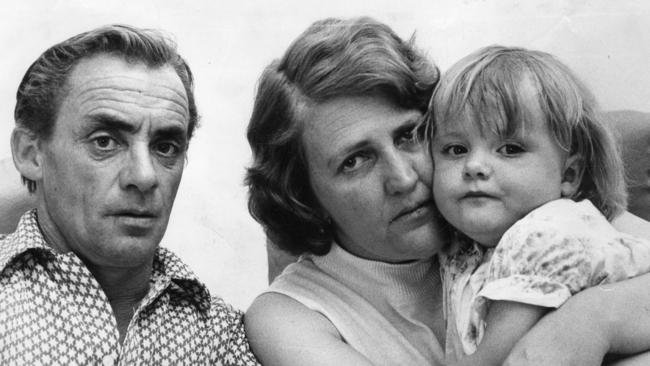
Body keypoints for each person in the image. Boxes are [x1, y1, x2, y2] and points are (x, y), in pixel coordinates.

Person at [244, 16, 650, 366]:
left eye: (409, 135)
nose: (403, 178)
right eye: (355, 161)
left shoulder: (511, 200)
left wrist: (596, 319)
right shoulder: (291, 315)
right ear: (305, 195)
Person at [0, 25, 259, 365]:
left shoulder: (221, 336)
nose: (144, 175)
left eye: (166, 147)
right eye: (104, 141)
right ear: (31, 154)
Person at [430, 45, 650, 366]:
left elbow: (497, 357)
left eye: (509, 148)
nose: (474, 165)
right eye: (455, 149)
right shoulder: (466, 247)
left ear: (569, 174)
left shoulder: (544, 233)